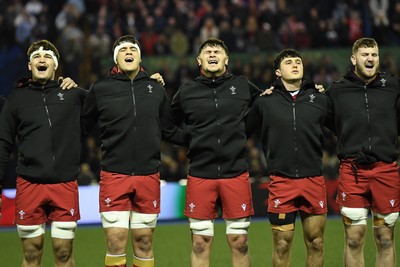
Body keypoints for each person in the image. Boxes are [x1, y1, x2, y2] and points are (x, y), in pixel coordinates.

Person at [81, 35, 183, 267]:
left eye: (133, 49)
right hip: (114, 175)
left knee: (144, 241)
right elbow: (82, 127)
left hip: (148, 175)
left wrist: (199, 139)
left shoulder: (155, 89)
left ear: (139, 56)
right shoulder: (101, 88)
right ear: (116, 58)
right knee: (116, 241)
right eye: (123, 49)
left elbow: (168, 129)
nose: (129, 52)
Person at [170, 38, 260, 267]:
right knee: (200, 242)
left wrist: (242, 132)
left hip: (235, 171)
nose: (212, 54)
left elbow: (265, 106)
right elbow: (168, 123)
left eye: (217, 51)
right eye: (207, 51)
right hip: (201, 172)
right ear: (199, 59)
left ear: (226, 59)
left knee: (240, 242)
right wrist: (189, 139)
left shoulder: (242, 85)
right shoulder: (187, 90)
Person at [0, 40, 86, 267]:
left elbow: (105, 107)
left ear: (55, 65)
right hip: (29, 184)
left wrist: (79, 89)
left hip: (64, 184)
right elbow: (3, 143)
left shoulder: (72, 95)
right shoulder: (16, 99)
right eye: (36, 56)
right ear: (29, 65)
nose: (41, 59)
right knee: (30, 254)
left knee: (63, 252)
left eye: (47, 56)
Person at [246, 49, 331, 267]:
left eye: (298, 62)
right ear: (277, 72)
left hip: (313, 179)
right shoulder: (265, 101)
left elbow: (344, 127)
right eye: (288, 62)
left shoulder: (320, 98)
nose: (295, 65)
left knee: (316, 243)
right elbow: (242, 131)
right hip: (281, 181)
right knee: (282, 245)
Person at [326, 37, 400, 267]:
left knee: (386, 239)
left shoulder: (394, 86)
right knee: (354, 239)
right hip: (352, 170)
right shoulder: (337, 90)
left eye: (374, 55)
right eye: (365, 54)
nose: (370, 58)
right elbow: (328, 121)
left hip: (386, 170)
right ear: (353, 58)